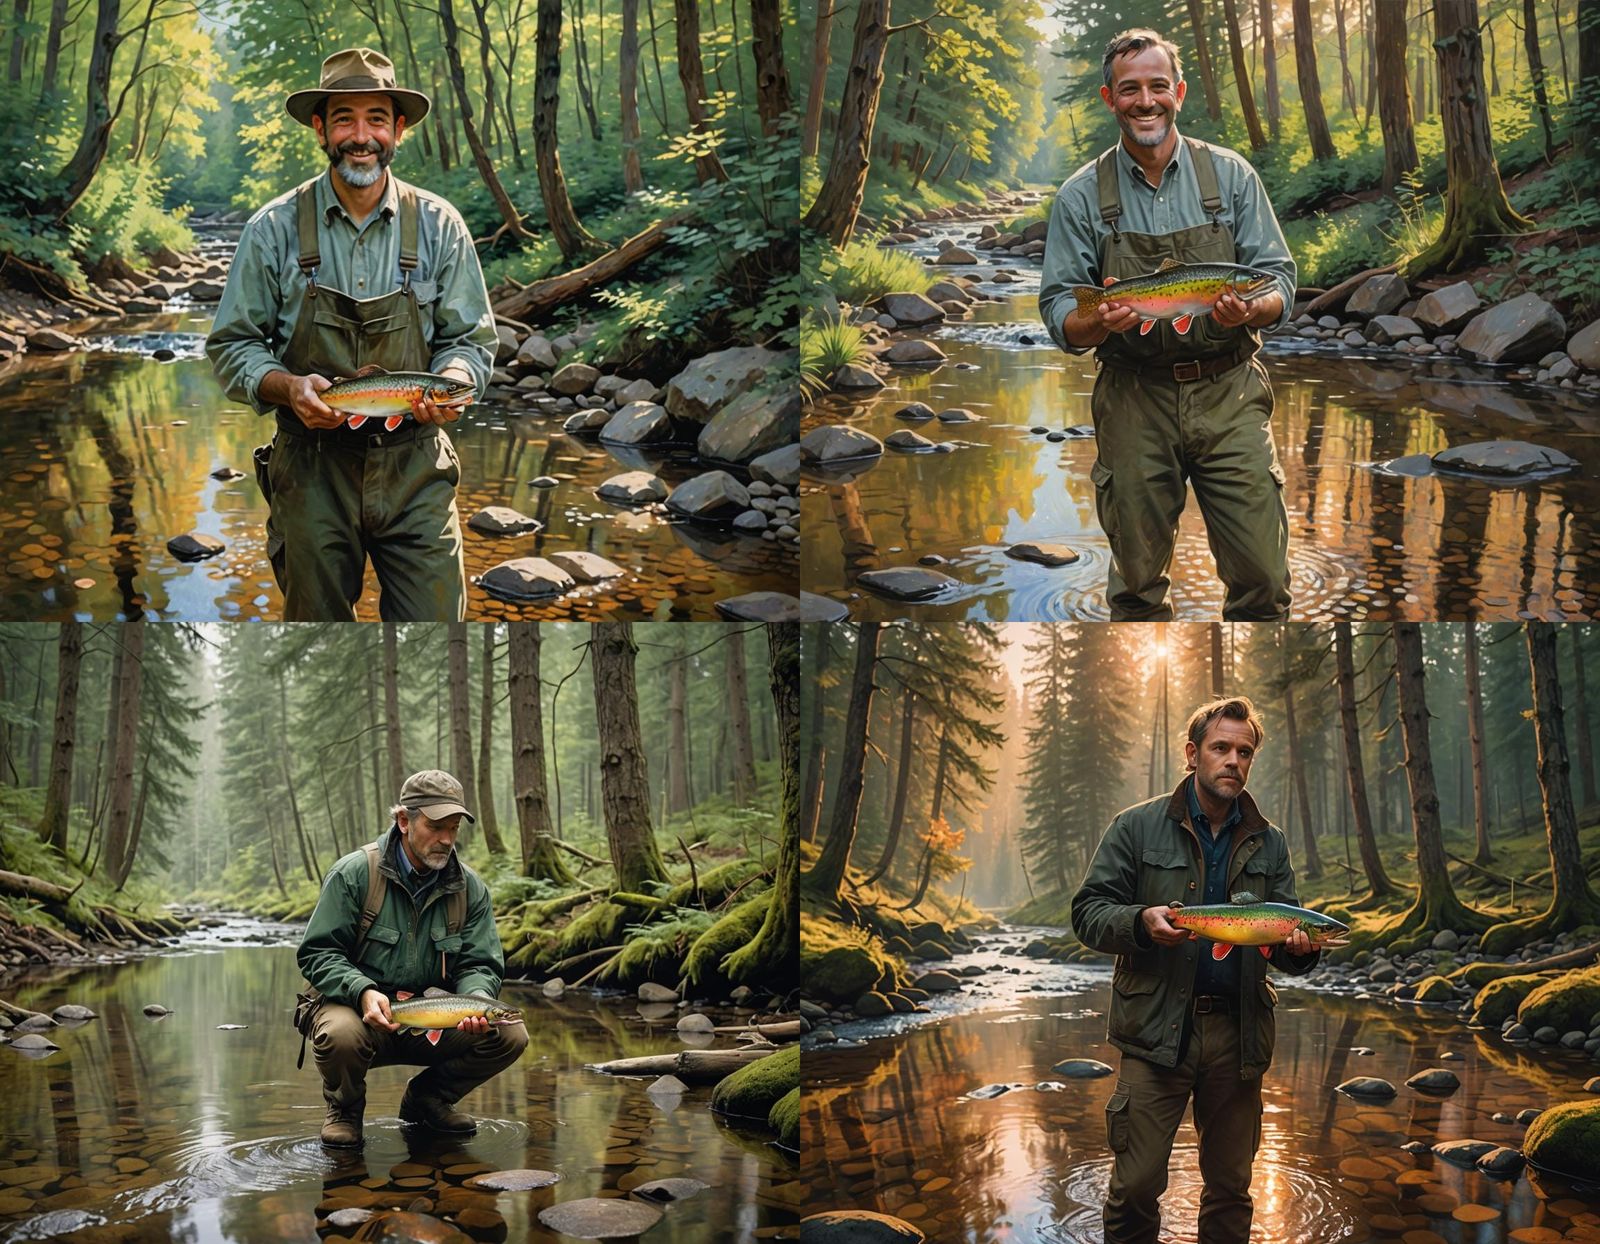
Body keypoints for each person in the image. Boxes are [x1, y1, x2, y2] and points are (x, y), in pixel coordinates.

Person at [206, 47, 497, 623]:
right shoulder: (272, 230)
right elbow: (232, 345)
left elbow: (471, 341)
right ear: (320, 129)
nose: (361, 136)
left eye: (376, 119)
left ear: (398, 130)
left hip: (417, 469)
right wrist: (288, 387)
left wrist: (452, 382)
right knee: (317, 633)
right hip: (309, 470)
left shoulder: (440, 226)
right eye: (344, 119)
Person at [1037, 29, 1298, 622]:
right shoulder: (1080, 196)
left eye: (1158, 86)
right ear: (1110, 99)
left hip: (1230, 393)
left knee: (1263, 579)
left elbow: (1279, 281)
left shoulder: (1231, 176)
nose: (1146, 101)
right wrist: (1099, 323)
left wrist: (1251, 309)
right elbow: (1060, 314)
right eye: (1130, 89)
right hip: (1133, 398)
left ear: (1178, 92)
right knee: (1136, 587)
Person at [1070, 696, 1319, 1244]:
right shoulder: (1136, 827)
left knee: (1231, 1189)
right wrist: (1140, 921)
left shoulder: (1270, 841)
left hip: (1239, 1034)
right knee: (1134, 1188)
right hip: (1154, 1032)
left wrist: (1300, 951)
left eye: (1244, 752)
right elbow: (1087, 913)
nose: (1234, 760)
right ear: (1192, 753)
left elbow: (1283, 941)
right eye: (1221, 747)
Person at [296, 769, 527, 1148]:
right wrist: (362, 991)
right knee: (340, 1034)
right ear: (404, 821)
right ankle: (345, 1110)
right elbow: (318, 953)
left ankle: (428, 1099)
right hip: (358, 1014)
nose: (446, 839)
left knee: (509, 1034)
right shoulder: (354, 875)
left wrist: (476, 1003)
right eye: (435, 827)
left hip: (434, 1018)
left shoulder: (469, 888)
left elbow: (480, 964)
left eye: (453, 828)